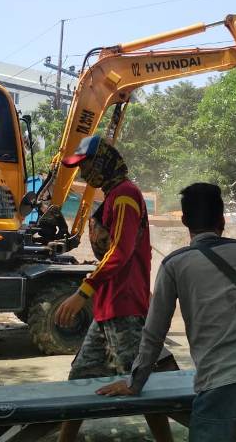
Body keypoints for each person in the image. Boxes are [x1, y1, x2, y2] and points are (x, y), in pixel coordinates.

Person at [98, 182, 236, 441]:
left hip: (220, 382)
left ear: (185, 221)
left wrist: (135, 384)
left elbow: (154, 332)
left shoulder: (174, 265)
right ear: (222, 220)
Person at [55, 134, 173, 442]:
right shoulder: (111, 196)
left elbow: (120, 251)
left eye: (86, 165)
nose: (83, 173)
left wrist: (83, 292)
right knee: (80, 378)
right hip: (108, 306)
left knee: (142, 384)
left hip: (125, 305)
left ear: (103, 162)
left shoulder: (124, 195)